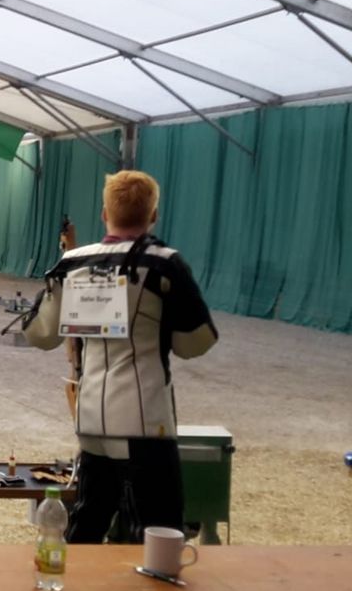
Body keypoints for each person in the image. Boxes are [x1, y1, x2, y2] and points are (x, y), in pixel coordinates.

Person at [24, 171, 218, 543]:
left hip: (92, 418)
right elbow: (196, 342)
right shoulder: (166, 263)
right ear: (154, 216)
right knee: (160, 532)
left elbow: (39, 334)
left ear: (104, 214)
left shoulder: (72, 263)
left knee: (86, 527)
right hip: (147, 423)